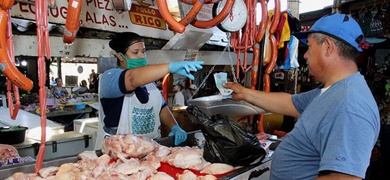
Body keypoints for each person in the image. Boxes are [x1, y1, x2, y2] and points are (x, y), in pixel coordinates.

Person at [223, 13, 380, 180]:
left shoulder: (349, 106)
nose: (305, 55)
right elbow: (290, 103)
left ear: (327, 47)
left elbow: (344, 178)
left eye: (310, 47)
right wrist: (244, 92)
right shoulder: (332, 91)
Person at [98, 32, 203, 147]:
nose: (141, 56)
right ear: (120, 56)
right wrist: (170, 67)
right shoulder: (109, 77)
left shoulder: (149, 83)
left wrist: (175, 126)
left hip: (149, 146)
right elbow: (132, 78)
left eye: (143, 51)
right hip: (119, 148)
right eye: (135, 52)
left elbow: (161, 107)